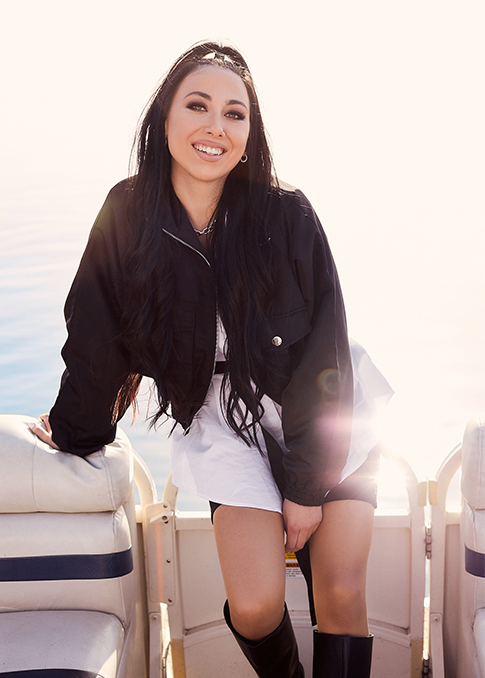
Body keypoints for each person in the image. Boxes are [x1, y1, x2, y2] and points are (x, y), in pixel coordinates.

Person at [30, 42, 392, 678]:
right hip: (225, 418)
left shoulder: (286, 212)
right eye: (197, 105)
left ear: (250, 134)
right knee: (254, 606)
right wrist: (74, 428)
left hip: (326, 411)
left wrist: (306, 487)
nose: (215, 127)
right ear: (165, 117)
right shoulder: (128, 213)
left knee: (339, 591)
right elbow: (94, 332)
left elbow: (325, 350)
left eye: (235, 113)